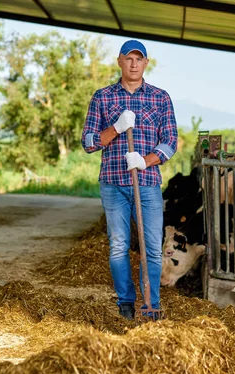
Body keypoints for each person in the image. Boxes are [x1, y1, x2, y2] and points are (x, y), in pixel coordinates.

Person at [81, 39, 178, 320]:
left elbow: (171, 142)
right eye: (128, 58)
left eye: (139, 59)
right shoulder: (103, 97)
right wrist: (116, 128)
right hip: (112, 183)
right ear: (120, 62)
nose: (134, 64)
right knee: (119, 246)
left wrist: (145, 160)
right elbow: (88, 142)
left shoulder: (160, 98)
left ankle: (151, 305)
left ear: (146, 63)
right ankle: (125, 302)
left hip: (146, 184)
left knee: (151, 247)